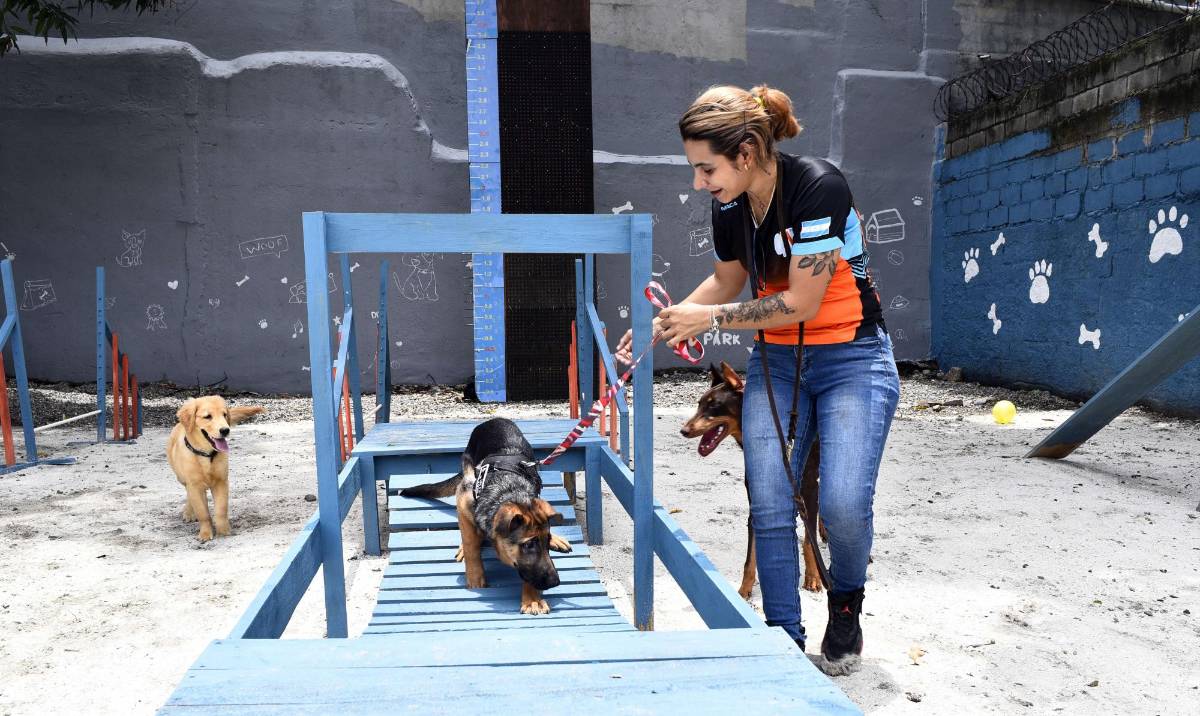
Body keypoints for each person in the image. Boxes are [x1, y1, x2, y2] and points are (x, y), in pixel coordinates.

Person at [615, 84, 899, 675]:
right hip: (777, 364)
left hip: (853, 358)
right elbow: (725, 282)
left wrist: (711, 319)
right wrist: (661, 326)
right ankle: (783, 643)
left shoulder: (818, 187)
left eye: (706, 168)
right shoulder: (729, 205)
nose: (700, 183)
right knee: (769, 501)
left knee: (843, 504)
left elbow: (800, 300)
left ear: (745, 153)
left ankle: (845, 601)